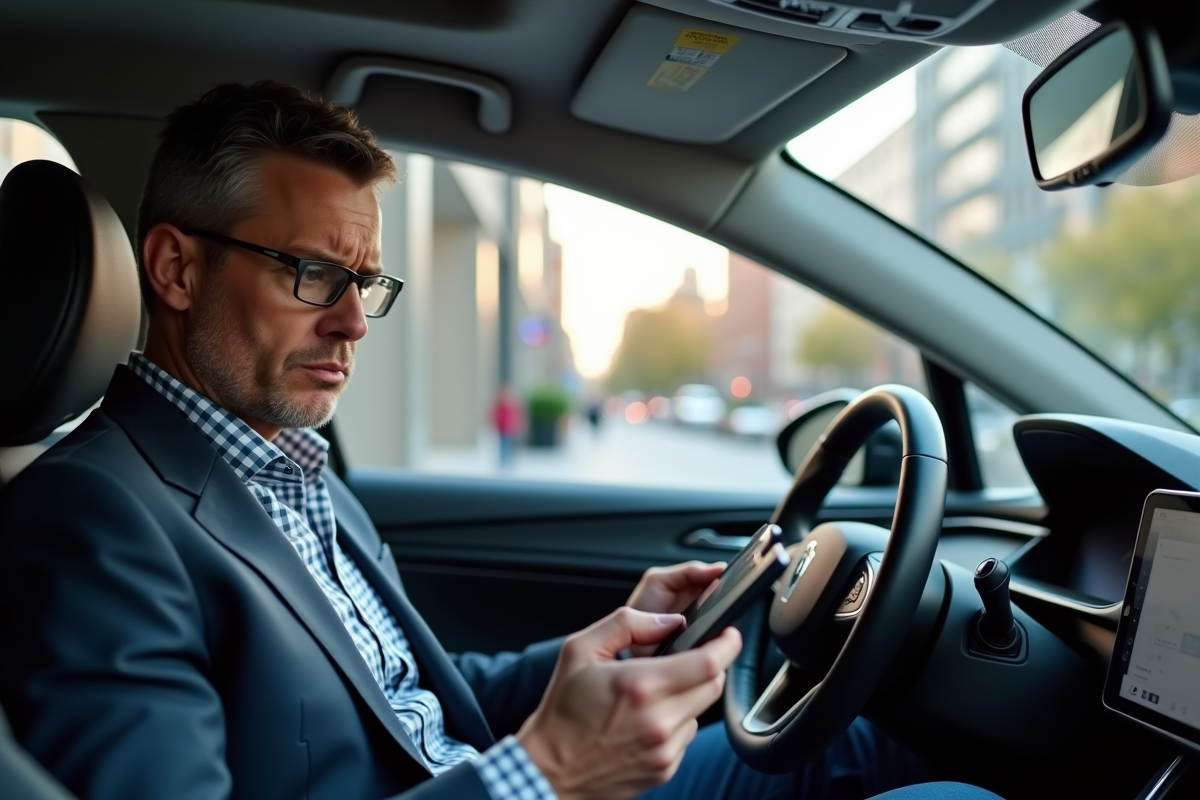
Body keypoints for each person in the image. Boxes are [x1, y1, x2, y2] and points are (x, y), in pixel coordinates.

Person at [0, 82, 1002, 800]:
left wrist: (599, 642)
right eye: (311, 272)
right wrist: (551, 772)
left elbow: (414, 699)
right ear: (173, 269)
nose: (353, 323)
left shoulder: (293, 466)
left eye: (368, 284)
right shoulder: (85, 518)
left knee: (872, 742)